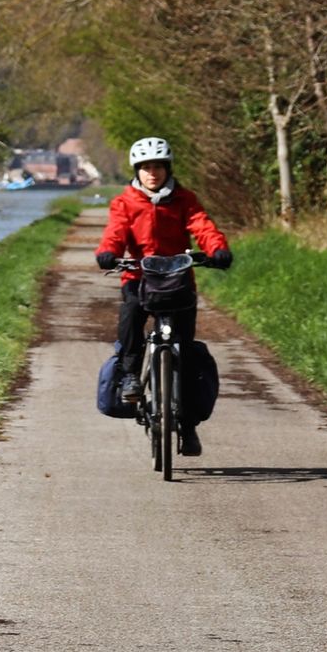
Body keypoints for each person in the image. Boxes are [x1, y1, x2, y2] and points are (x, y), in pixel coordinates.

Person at [93, 136, 232, 456]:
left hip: (178, 281)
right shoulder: (125, 202)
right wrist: (108, 252)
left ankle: (188, 427)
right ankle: (130, 376)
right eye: (145, 168)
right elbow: (115, 232)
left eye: (158, 166)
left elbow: (202, 225)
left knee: (184, 351)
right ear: (137, 171)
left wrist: (217, 249)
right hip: (138, 279)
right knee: (130, 320)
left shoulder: (184, 199)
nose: (152, 173)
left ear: (168, 169)